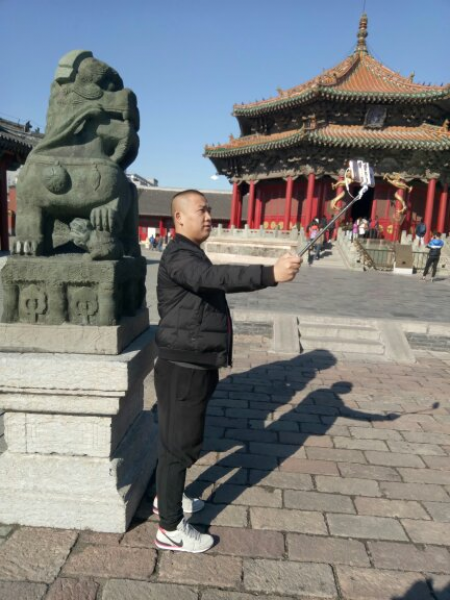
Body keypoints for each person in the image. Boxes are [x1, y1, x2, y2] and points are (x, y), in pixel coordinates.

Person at [153, 189, 301, 553]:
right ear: (179, 218)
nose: (209, 216)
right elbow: (214, 278)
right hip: (183, 367)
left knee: (182, 442)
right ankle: (170, 528)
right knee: (178, 447)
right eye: (201, 210)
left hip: (194, 363)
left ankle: (166, 499)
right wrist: (270, 274)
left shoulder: (190, 252)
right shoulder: (179, 255)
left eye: (209, 210)